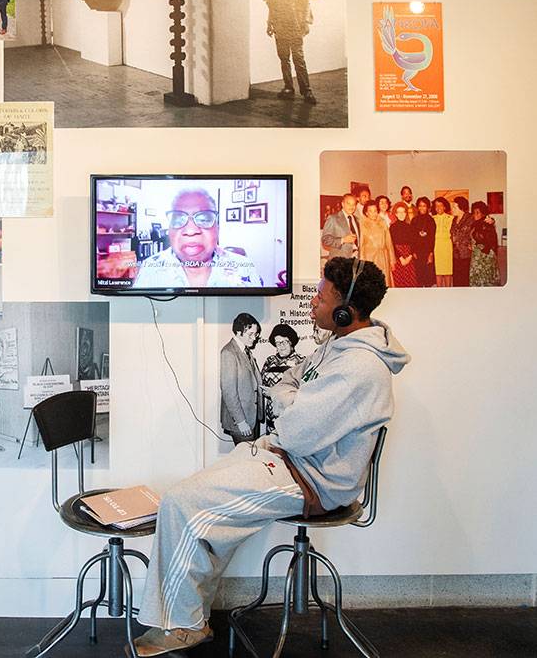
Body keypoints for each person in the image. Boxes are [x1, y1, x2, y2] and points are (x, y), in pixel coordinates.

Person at [131, 258, 409, 656]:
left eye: (321, 295)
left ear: (347, 310)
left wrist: (286, 400)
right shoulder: (338, 345)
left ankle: (182, 626)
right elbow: (292, 383)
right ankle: (190, 615)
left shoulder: (359, 367)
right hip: (289, 459)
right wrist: (290, 398)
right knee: (191, 499)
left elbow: (294, 422)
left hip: (311, 480)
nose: (312, 301)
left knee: (181, 502)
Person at [134, 188, 262, 289]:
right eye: (178, 219)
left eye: (204, 219)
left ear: (217, 228)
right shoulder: (149, 268)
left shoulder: (245, 267)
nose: (191, 231)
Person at [265, 0, 316, 104]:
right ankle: (288, 88)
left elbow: (306, 4)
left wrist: (306, 23)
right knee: (284, 58)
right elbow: (271, 6)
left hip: (295, 26)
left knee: (298, 58)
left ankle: (306, 91)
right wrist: (269, 23)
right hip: (280, 27)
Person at [219, 313, 262, 444]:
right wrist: (241, 422)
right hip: (241, 420)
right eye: (251, 334)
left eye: (255, 334)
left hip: (251, 417)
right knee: (247, 460)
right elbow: (228, 392)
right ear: (238, 332)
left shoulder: (246, 351)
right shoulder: (229, 353)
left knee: (250, 458)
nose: (254, 338)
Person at [259, 323, 306, 433]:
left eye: (284, 342)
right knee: (272, 445)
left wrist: (278, 392)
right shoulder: (269, 361)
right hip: (271, 411)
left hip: (290, 411)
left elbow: (304, 389)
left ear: (291, 342)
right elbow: (262, 382)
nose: (281, 346)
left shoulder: (301, 361)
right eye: (278, 343)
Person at [359, 200, 395, 287]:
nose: (373, 213)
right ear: (366, 212)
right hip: (369, 257)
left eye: (375, 211)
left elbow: (389, 242)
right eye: (370, 211)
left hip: (383, 256)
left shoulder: (382, 222)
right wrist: (362, 262)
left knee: (384, 281)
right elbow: (362, 244)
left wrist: (392, 260)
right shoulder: (362, 223)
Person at [469, 201, 500, 286]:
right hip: (476, 255)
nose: (475, 214)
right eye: (474, 212)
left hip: (485, 255)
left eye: (478, 212)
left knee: (485, 277)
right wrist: (470, 244)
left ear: (483, 213)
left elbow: (491, 241)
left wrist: (483, 250)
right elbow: (472, 237)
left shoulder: (487, 223)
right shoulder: (474, 224)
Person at [321, 194, 360, 260]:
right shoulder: (333, 218)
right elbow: (325, 239)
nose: (351, 206)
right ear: (343, 204)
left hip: (355, 259)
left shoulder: (357, 219)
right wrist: (343, 240)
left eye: (354, 204)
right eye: (348, 203)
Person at [388, 202, 418, 287]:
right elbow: (392, 244)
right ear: (396, 214)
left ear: (406, 213)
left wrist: (410, 257)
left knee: (410, 282)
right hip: (398, 257)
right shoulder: (392, 227)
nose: (401, 214)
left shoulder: (410, 227)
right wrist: (401, 259)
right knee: (399, 283)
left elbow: (414, 243)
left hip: (409, 256)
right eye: (399, 212)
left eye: (403, 212)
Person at [411, 197, 436, 287]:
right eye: (420, 206)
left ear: (428, 207)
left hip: (427, 252)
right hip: (417, 253)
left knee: (428, 278)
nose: (422, 208)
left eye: (424, 206)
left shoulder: (431, 220)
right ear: (417, 207)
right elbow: (412, 238)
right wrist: (413, 251)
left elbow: (432, 238)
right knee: (419, 278)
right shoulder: (414, 220)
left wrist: (430, 254)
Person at [450, 196, 473, 287]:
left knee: (465, 279)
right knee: (457, 279)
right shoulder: (454, 220)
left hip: (466, 254)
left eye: (454, 207)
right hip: (456, 254)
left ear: (461, 208)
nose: (452, 209)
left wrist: (491, 220)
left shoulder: (471, 218)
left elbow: (482, 222)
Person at [432, 197, 454, 287]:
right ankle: (439, 291)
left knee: (448, 270)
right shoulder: (432, 218)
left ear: (445, 207)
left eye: (440, 205)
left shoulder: (451, 218)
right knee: (438, 271)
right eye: (436, 206)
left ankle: (448, 291)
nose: (438, 208)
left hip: (447, 246)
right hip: (436, 246)